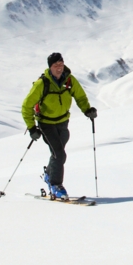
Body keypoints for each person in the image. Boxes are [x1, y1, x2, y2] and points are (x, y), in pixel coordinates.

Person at [21, 52, 97, 200]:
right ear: (50, 67)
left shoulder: (69, 80)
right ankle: (56, 186)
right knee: (59, 154)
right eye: (56, 65)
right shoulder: (42, 84)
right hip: (46, 124)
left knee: (57, 153)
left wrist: (87, 110)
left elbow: (80, 96)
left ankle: (49, 174)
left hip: (63, 122)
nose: (59, 68)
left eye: (61, 65)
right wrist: (31, 128)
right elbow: (26, 106)